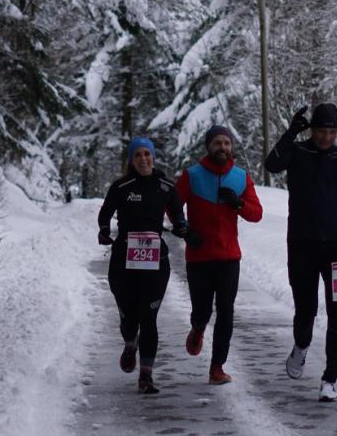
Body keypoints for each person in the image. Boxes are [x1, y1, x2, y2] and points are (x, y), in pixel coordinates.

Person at [264, 103, 337, 402]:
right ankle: (301, 346)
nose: (326, 137)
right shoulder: (298, 152)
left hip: (336, 245)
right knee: (306, 311)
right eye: (321, 131)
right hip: (301, 244)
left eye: (331, 132)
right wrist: (291, 132)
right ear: (313, 130)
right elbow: (272, 164)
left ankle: (329, 380)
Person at [98, 137, 189, 394]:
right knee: (129, 317)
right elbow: (105, 213)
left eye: (147, 154)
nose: (143, 159)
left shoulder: (165, 186)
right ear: (131, 160)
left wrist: (181, 226)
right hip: (123, 262)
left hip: (155, 262)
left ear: (153, 157)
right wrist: (104, 230)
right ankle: (130, 343)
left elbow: (178, 213)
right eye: (137, 154)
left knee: (149, 318)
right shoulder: (121, 186)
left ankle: (146, 376)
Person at [176, 126, 263, 385]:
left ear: (231, 147)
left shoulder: (241, 177)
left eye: (226, 143)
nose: (222, 147)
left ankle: (217, 368)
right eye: (217, 143)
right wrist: (185, 230)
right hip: (199, 257)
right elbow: (173, 206)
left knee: (226, 313)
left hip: (228, 257)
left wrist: (238, 203)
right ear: (208, 146)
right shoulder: (192, 175)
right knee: (202, 310)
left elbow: (257, 214)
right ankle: (198, 327)